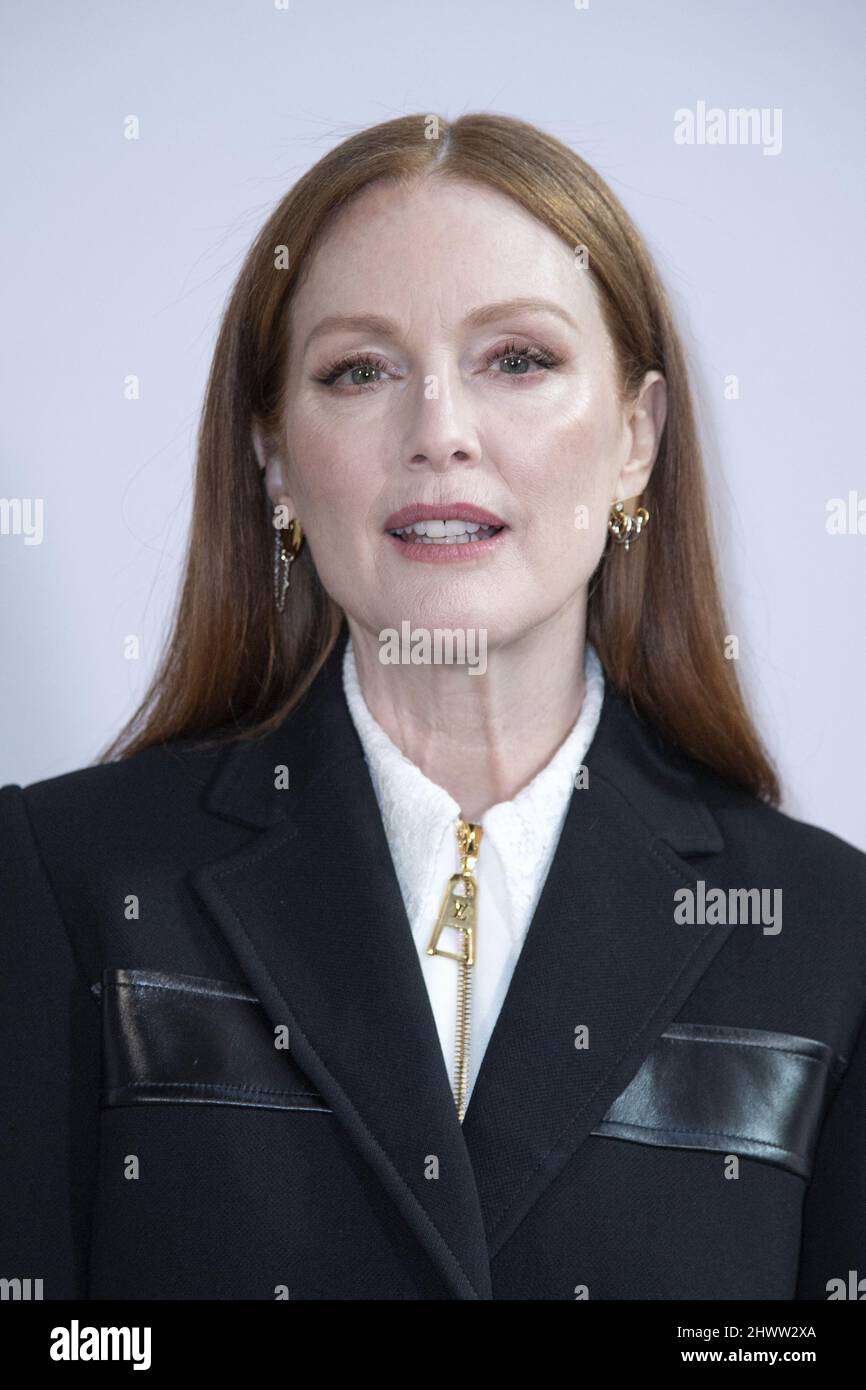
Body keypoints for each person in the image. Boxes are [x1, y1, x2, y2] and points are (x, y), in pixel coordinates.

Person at [2, 112, 864, 1302]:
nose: (438, 433)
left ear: (633, 438)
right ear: (274, 463)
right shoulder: (65, 882)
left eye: (516, 360)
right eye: (359, 370)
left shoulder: (829, 934)